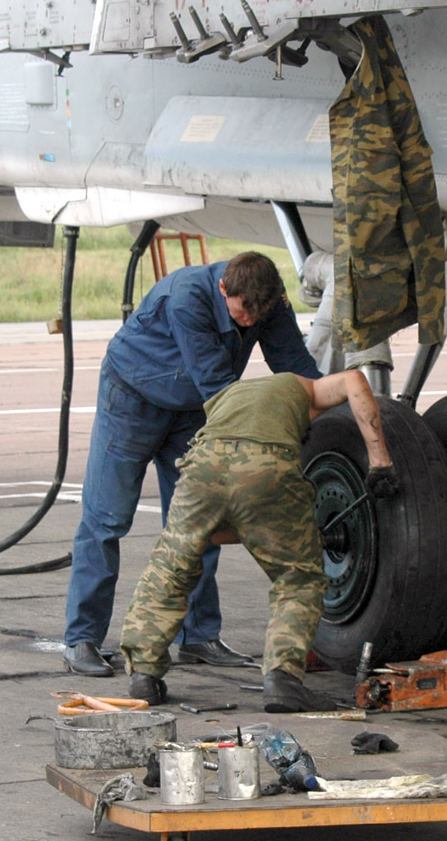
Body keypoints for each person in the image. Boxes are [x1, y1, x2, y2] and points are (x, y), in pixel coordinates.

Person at [63, 252, 321, 677]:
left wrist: (331, 408)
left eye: (258, 316)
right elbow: (217, 386)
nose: (248, 323)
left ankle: (198, 636)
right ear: (224, 290)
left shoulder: (265, 303)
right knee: (106, 519)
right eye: (241, 314)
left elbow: (295, 366)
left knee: (199, 519)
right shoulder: (188, 298)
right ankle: (82, 638)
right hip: (132, 400)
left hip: (192, 410)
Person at [117, 369, 399, 712]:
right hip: (267, 463)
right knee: (299, 577)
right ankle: (283, 682)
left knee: (170, 567)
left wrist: (265, 532)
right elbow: (355, 379)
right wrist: (380, 461)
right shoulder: (305, 388)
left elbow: (222, 523)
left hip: (202, 465)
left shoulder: (230, 397)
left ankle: (143, 676)